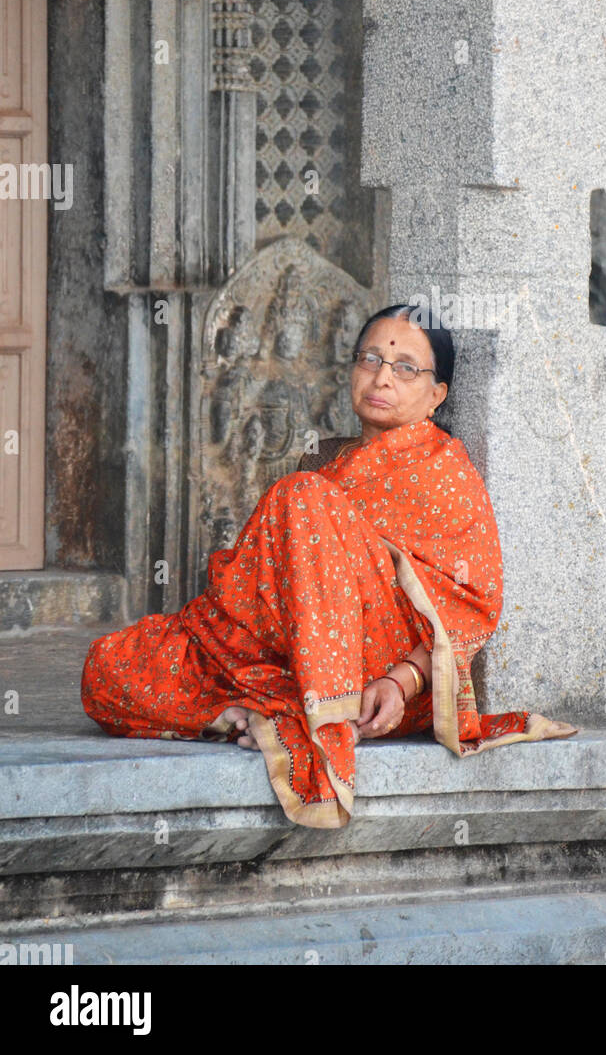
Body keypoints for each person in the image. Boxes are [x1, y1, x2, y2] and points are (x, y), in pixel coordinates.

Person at [81, 303, 576, 829]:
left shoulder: (445, 469)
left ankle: (325, 721)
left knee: (302, 495)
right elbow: (260, 579)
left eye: (406, 367)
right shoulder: (322, 461)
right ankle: (267, 709)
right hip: (280, 652)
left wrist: (403, 681)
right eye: (370, 359)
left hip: (377, 681)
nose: (383, 376)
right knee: (108, 666)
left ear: (437, 395)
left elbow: (473, 604)